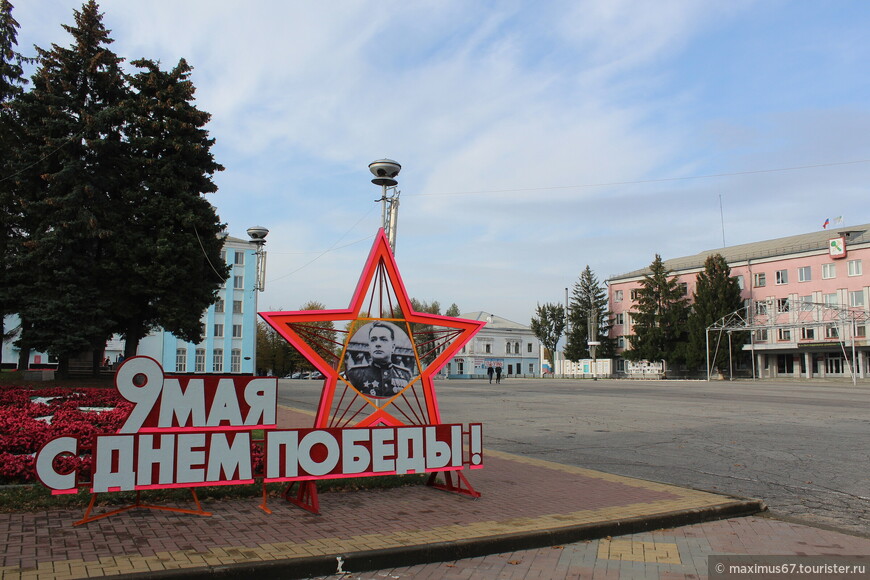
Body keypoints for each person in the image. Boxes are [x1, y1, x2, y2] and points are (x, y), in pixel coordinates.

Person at [346, 322, 412, 398]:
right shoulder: (355, 374)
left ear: (393, 347)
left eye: (383, 339)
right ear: (369, 347)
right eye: (373, 340)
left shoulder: (405, 375)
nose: (378, 344)